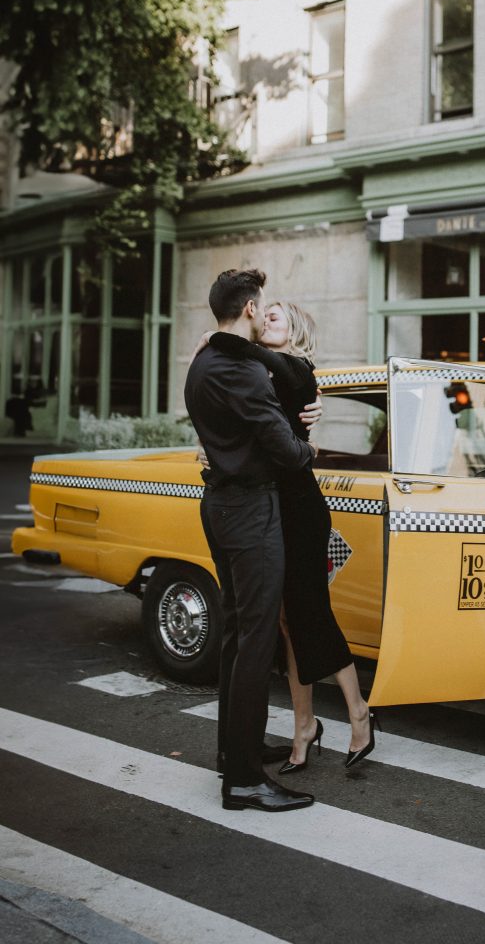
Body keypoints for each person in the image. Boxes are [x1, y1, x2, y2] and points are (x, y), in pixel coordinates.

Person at [193, 299, 377, 773]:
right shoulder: (260, 373)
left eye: (274, 317)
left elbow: (266, 368)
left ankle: (359, 714)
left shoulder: (296, 368)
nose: (264, 321)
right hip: (268, 505)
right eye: (263, 314)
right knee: (285, 623)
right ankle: (304, 726)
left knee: (311, 614)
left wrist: (218, 337)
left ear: (295, 330)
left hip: (299, 508)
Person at [184, 268, 317, 813]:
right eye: (262, 308)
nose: (266, 315)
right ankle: (243, 780)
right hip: (248, 509)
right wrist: (310, 449)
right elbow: (286, 451)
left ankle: (231, 750)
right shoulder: (240, 372)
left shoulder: (205, 362)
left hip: (221, 504)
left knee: (239, 633)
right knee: (256, 637)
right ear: (248, 310)